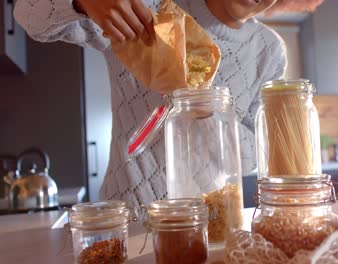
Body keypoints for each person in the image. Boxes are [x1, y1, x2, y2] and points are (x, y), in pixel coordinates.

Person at [14, 0, 287, 207]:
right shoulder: (154, 7)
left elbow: (255, 156)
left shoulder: (269, 51)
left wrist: (203, 101)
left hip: (210, 222)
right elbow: (27, 12)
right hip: (129, 212)